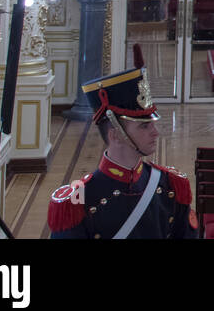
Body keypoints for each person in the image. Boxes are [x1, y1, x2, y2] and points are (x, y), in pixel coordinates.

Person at [48, 67, 197, 239]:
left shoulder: (171, 185)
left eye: (152, 123)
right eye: (144, 126)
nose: (155, 132)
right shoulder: (77, 199)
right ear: (116, 135)